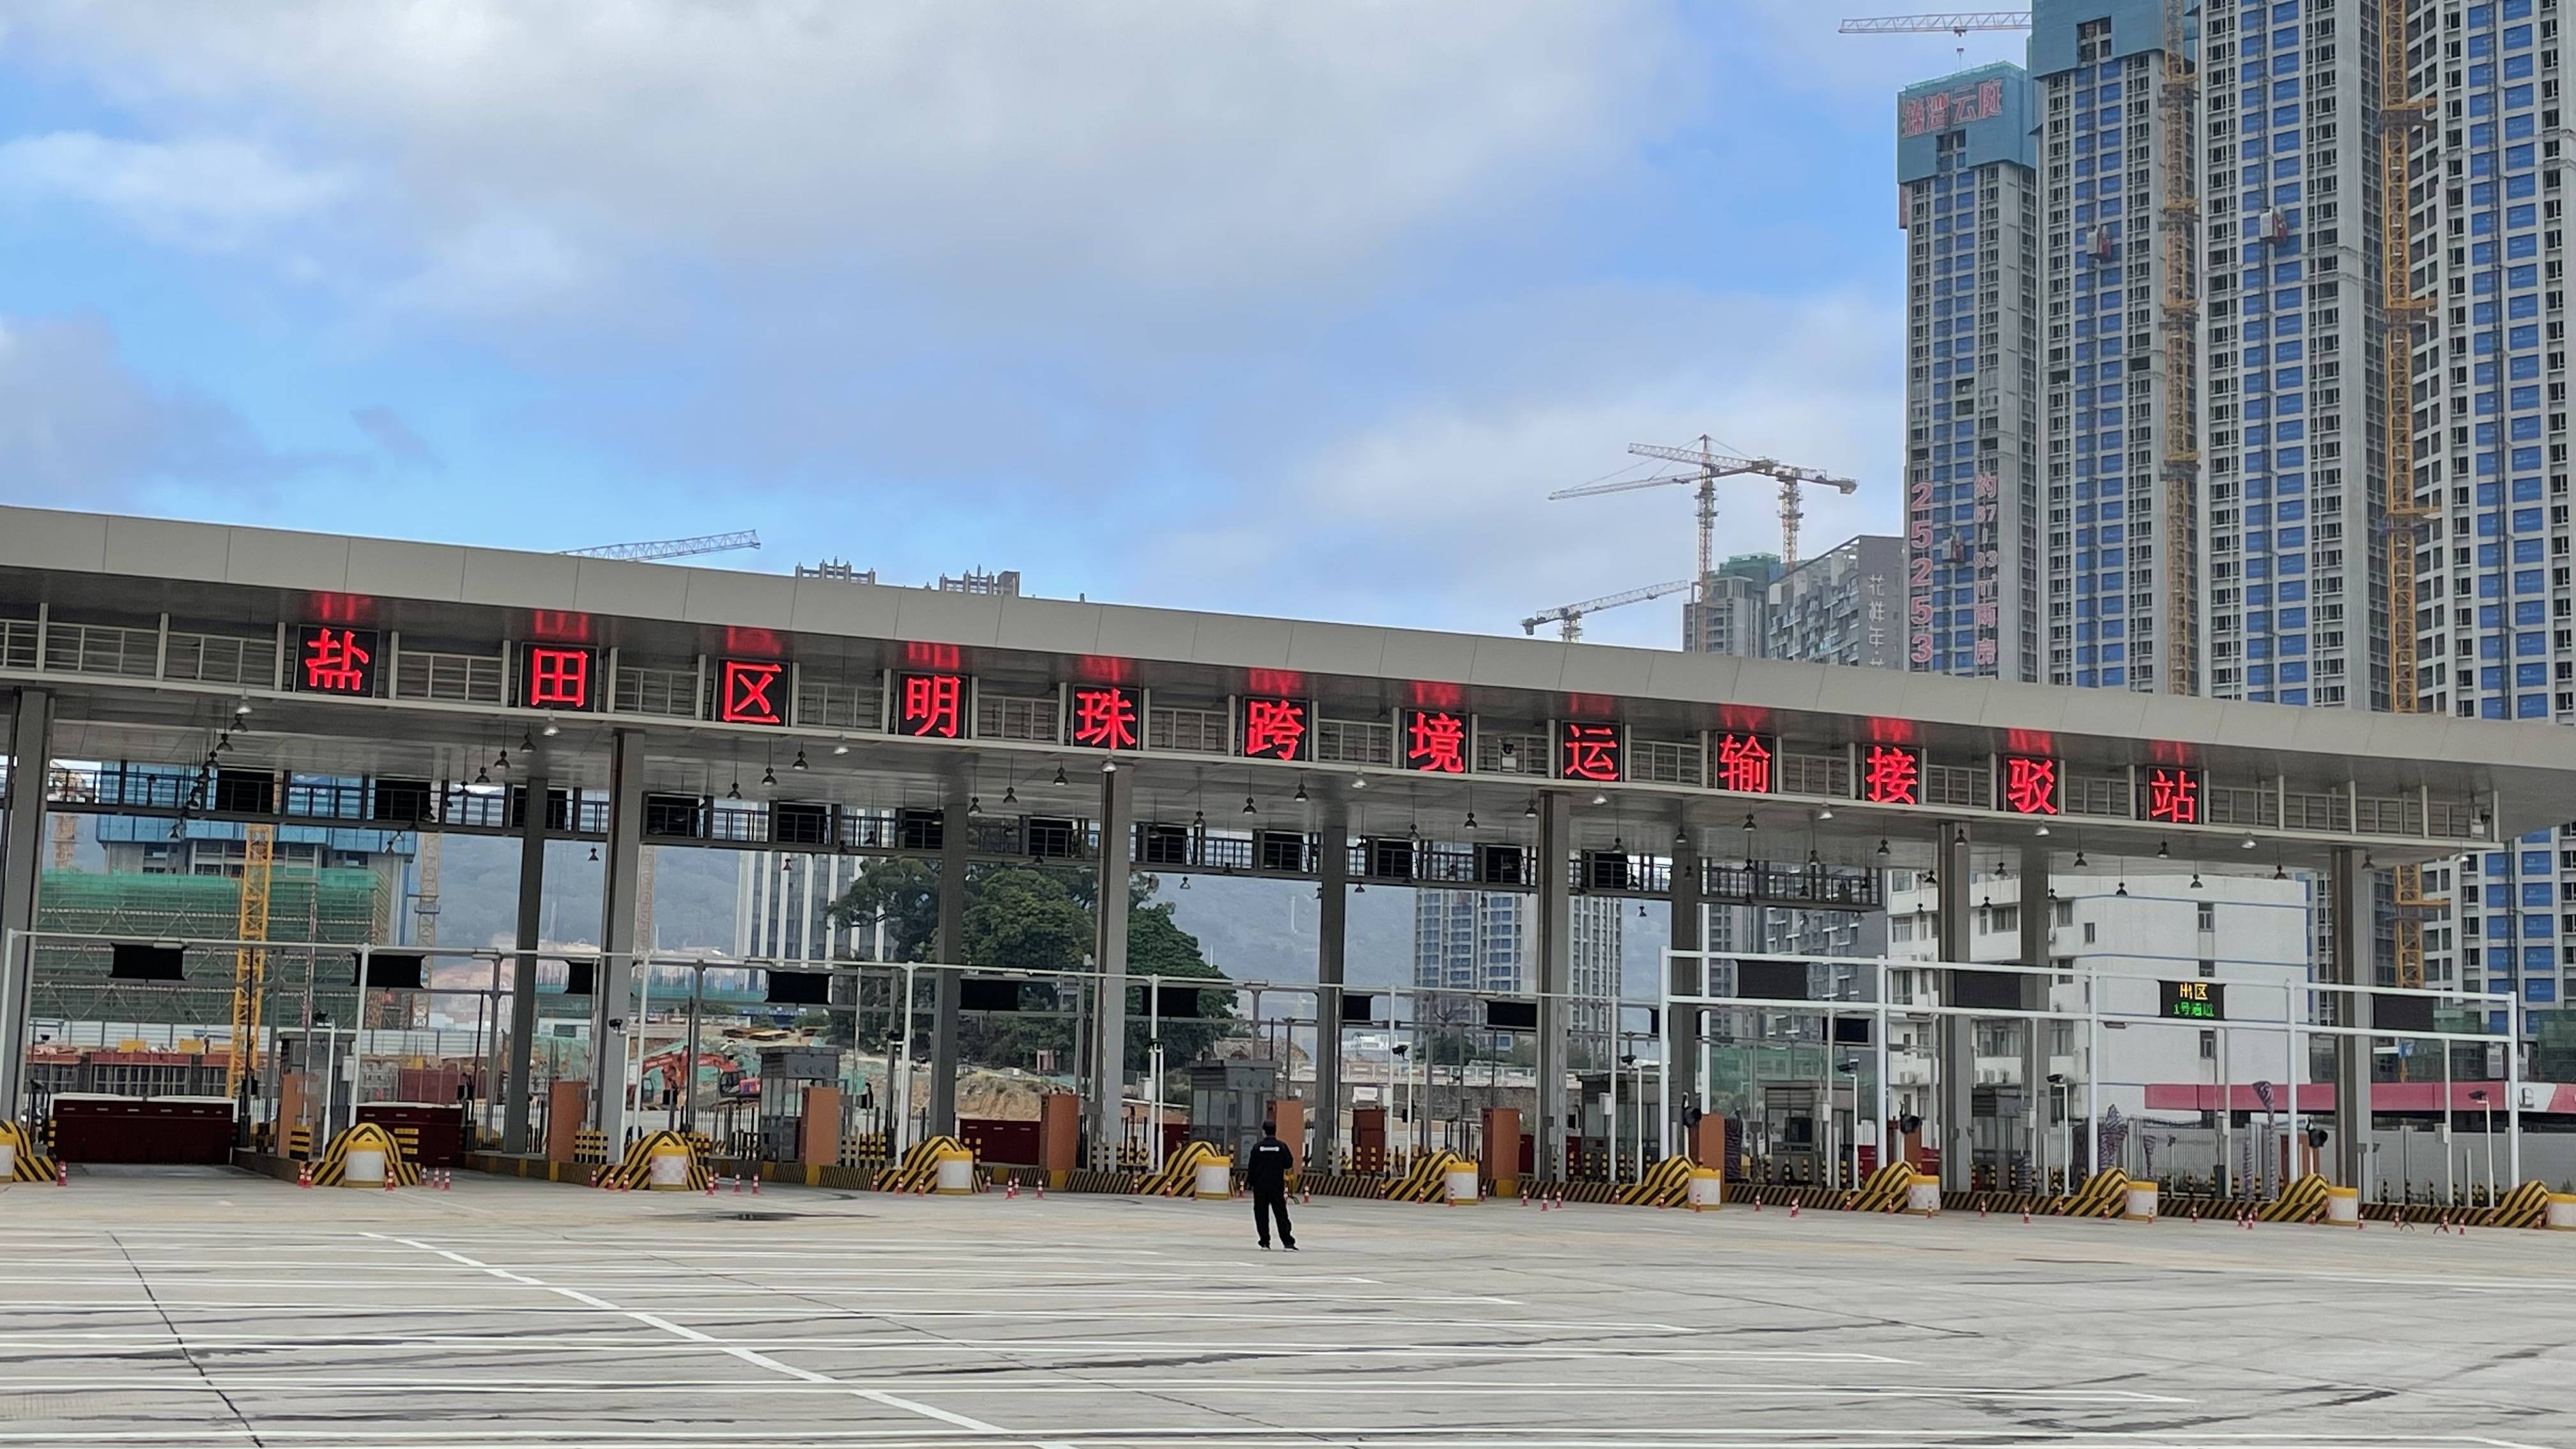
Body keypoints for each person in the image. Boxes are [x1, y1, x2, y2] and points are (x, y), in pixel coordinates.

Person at [1246, 1121, 1298, 1250]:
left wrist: (1251, 1183)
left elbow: (1251, 1167)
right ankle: (1288, 1243)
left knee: (1261, 1214)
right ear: (1275, 1130)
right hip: (1276, 1186)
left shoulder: (1258, 1147)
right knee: (1281, 1213)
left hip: (1260, 1187)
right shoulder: (1281, 1147)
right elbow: (1288, 1163)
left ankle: (1265, 1242)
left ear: (1264, 1131)